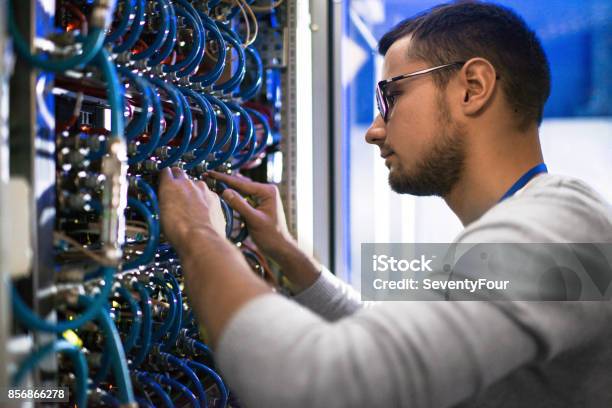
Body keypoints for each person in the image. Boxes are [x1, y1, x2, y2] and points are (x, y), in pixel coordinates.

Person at [158, 2, 612, 407]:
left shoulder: (562, 230)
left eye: (391, 97)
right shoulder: (545, 225)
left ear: (473, 87)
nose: (373, 130)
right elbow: (409, 350)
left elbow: (322, 381)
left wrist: (199, 236)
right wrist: (289, 255)